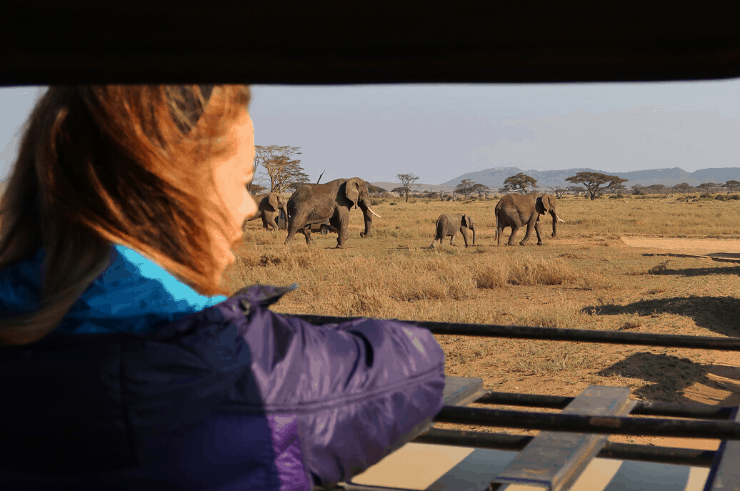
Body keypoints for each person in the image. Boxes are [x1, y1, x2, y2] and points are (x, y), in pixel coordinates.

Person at [0, 85, 445, 490]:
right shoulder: (236, 361)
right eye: (242, 181)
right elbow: (417, 364)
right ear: (174, 191)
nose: (250, 208)